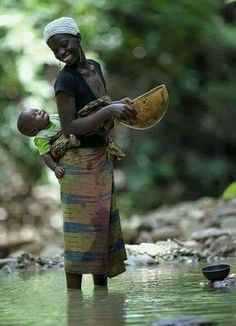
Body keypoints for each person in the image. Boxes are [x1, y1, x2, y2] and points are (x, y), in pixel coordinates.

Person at [43, 16, 137, 289]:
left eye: (64, 44)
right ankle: (75, 303)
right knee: (80, 237)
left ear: (77, 37)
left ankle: (100, 302)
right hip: (77, 163)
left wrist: (118, 105)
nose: (62, 52)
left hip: (100, 158)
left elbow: (98, 106)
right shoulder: (64, 81)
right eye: (55, 50)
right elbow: (72, 126)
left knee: (101, 232)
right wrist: (110, 110)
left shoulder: (95, 66)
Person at [17, 108, 80, 178]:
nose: (39, 112)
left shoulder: (54, 117)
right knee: (55, 149)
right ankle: (71, 143)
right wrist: (55, 167)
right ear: (34, 130)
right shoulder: (41, 137)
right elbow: (46, 156)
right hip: (61, 147)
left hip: (69, 133)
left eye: (36, 110)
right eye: (35, 116)